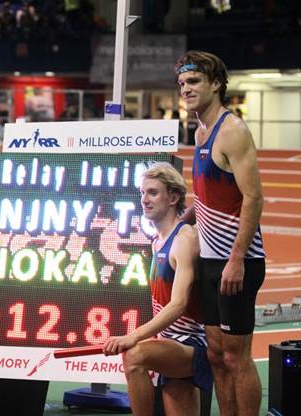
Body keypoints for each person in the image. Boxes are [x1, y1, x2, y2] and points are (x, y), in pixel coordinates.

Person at [175, 51, 265, 416]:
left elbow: (254, 197)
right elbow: (210, 193)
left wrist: (237, 259)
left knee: (235, 355)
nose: (186, 89)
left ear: (216, 84)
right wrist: (185, 217)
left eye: (194, 81)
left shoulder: (232, 131)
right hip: (210, 263)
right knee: (214, 354)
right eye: (182, 83)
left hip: (236, 264)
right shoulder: (200, 132)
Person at [103, 163, 211, 416]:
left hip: (192, 344)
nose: (144, 200)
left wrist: (135, 336)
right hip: (170, 344)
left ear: (173, 198)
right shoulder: (156, 242)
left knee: (134, 355)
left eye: (152, 193)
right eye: (142, 193)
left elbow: (179, 304)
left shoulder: (184, 240)